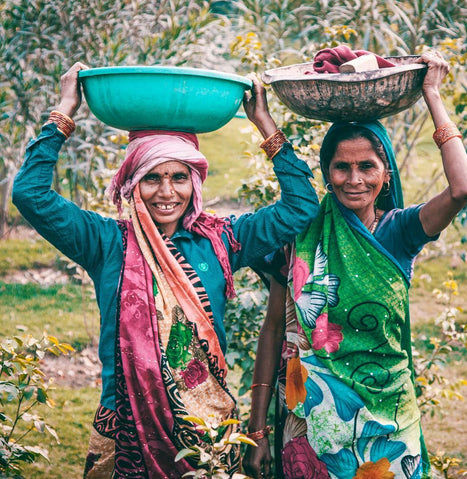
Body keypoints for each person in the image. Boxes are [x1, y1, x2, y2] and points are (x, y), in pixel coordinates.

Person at [11, 62, 320, 478]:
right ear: (131, 183)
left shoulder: (222, 240)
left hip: (206, 432)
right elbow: (30, 194)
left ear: (195, 182)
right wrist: (65, 111)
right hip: (125, 431)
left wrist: (264, 122)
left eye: (179, 177)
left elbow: (301, 206)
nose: (167, 192)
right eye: (152, 177)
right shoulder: (105, 243)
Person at [243, 50, 467, 479]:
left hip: (389, 416)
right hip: (311, 420)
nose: (355, 180)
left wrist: (433, 94)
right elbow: (274, 327)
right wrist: (256, 429)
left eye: (367, 167)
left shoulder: (400, 231)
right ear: (326, 173)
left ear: (386, 173)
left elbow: (462, 189)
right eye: (341, 168)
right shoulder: (304, 230)